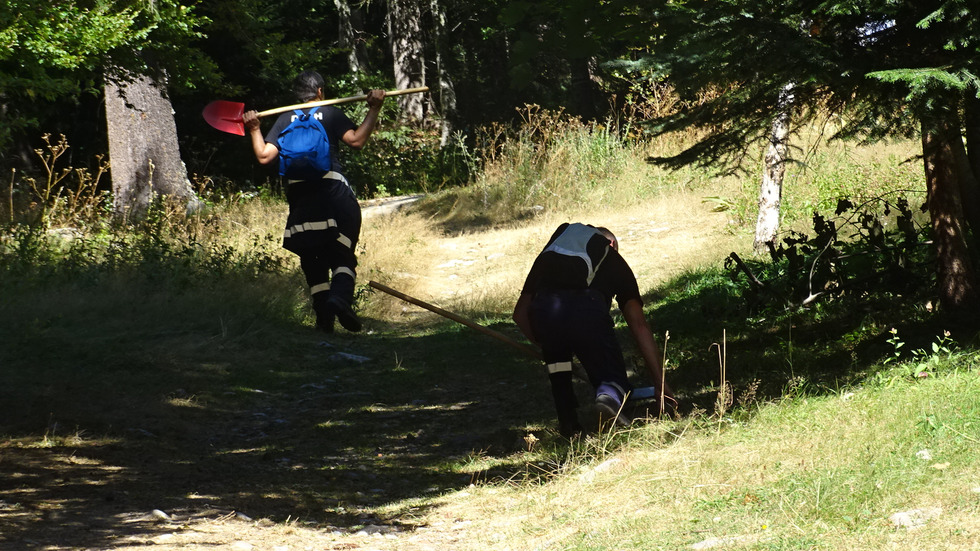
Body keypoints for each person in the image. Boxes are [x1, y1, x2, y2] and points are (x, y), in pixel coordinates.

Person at [243, 71, 386, 333]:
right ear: (319, 91)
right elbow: (356, 141)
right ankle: (340, 299)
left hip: (301, 198)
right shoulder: (330, 113)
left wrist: (254, 128)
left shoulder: (284, 118)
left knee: (312, 257)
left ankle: (323, 320)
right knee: (342, 254)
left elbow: (264, 156)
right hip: (332, 191)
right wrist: (374, 108)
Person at [513, 222, 676, 437]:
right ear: (610, 243)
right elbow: (639, 325)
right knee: (614, 379)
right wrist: (660, 384)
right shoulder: (614, 260)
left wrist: (546, 344)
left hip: (545, 313)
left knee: (559, 368)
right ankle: (608, 397)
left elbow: (520, 314)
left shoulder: (552, 253)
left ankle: (569, 425)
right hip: (586, 311)